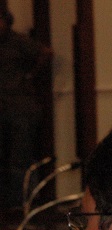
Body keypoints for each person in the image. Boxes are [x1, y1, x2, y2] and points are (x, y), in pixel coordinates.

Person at [0, 8, 51, 210]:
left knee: (20, 159)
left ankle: (23, 203)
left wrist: (30, 75)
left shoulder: (19, 42)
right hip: (4, 108)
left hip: (20, 108)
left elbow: (45, 53)